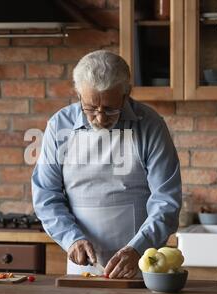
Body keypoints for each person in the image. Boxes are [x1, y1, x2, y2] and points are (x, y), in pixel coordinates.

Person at [32, 50, 182, 279]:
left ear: (126, 95)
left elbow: (167, 200)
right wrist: (71, 239)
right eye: (91, 108)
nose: (100, 118)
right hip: (81, 264)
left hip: (140, 264)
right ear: (79, 94)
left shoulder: (150, 126)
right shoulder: (58, 126)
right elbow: (46, 195)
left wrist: (137, 248)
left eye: (111, 109)